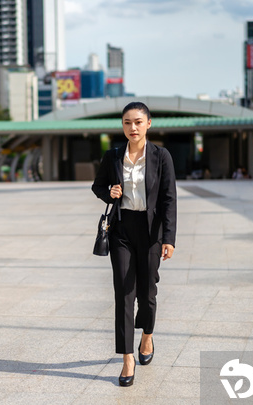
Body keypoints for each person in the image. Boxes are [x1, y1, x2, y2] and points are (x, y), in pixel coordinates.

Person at [91, 102, 177, 387]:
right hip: (122, 230)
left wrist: (169, 239)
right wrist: (109, 192)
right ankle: (127, 358)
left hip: (151, 232)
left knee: (148, 292)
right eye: (127, 122)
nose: (133, 128)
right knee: (124, 293)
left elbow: (168, 200)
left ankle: (147, 335)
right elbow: (97, 186)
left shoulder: (161, 157)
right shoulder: (113, 156)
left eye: (138, 122)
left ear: (148, 124)